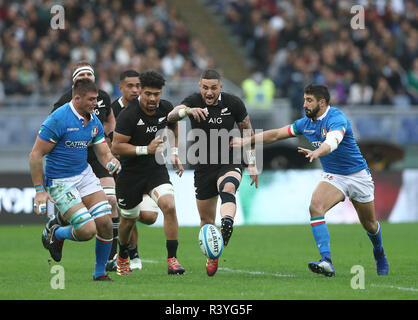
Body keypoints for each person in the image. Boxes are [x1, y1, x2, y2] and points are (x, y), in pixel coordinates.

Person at [231, 84, 389, 277]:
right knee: (316, 206)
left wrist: (317, 151)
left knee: (370, 225)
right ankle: (326, 261)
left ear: (322, 102)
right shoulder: (305, 123)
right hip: (335, 177)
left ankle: (379, 253)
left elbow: (332, 142)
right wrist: (247, 140)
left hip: (358, 176)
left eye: (309, 100)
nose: (304, 104)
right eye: (305, 99)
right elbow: (276, 134)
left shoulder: (337, 118)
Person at [167, 69, 258, 277]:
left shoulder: (233, 103)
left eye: (213, 88)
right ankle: (213, 253)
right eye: (205, 88)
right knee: (206, 220)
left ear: (220, 88)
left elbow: (248, 130)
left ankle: (227, 222)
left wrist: (252, 163)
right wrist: (187, 112)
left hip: (230, 158)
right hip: (203, 166)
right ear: (200, 87)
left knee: (228, 186)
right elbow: (170, 116)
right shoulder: (193, 100)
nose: (209, 92)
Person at [30, 78, 121, 281]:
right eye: (91, 99)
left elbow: (103, 153)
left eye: (96, 99)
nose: (95, 103)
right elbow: (35, 155)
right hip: (61, 181)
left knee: (105, 223)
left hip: (85, 176)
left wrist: (112, 161)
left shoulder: (94, 121)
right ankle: (56, 233)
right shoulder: (58, 119)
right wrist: (39, 190)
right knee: (88, 230)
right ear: (77, 98)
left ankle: (99, 274)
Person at [112, 70, 185, 276]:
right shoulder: (129, 115)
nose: (152, 98)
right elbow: (117, 147)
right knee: (128, 220)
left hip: (155, 169)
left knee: (169, 206)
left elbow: (173, 127)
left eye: (156, 94)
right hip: (130, 174)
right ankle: (123, 255)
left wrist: (175, 153)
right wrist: (146, 149)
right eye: (148, 94)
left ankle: (172, 259)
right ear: (141, 92)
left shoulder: (166, 108)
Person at [107, 69, 160, 272]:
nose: (135, 90)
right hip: (122, 169)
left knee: (149, 216)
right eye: (130, 86)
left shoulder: (149, 108)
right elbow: (109, 143)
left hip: (146, 168)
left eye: (138, 86)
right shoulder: (112, 111)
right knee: (127, 211)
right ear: (121, 88)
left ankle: (121, 248)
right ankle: (131, 254)